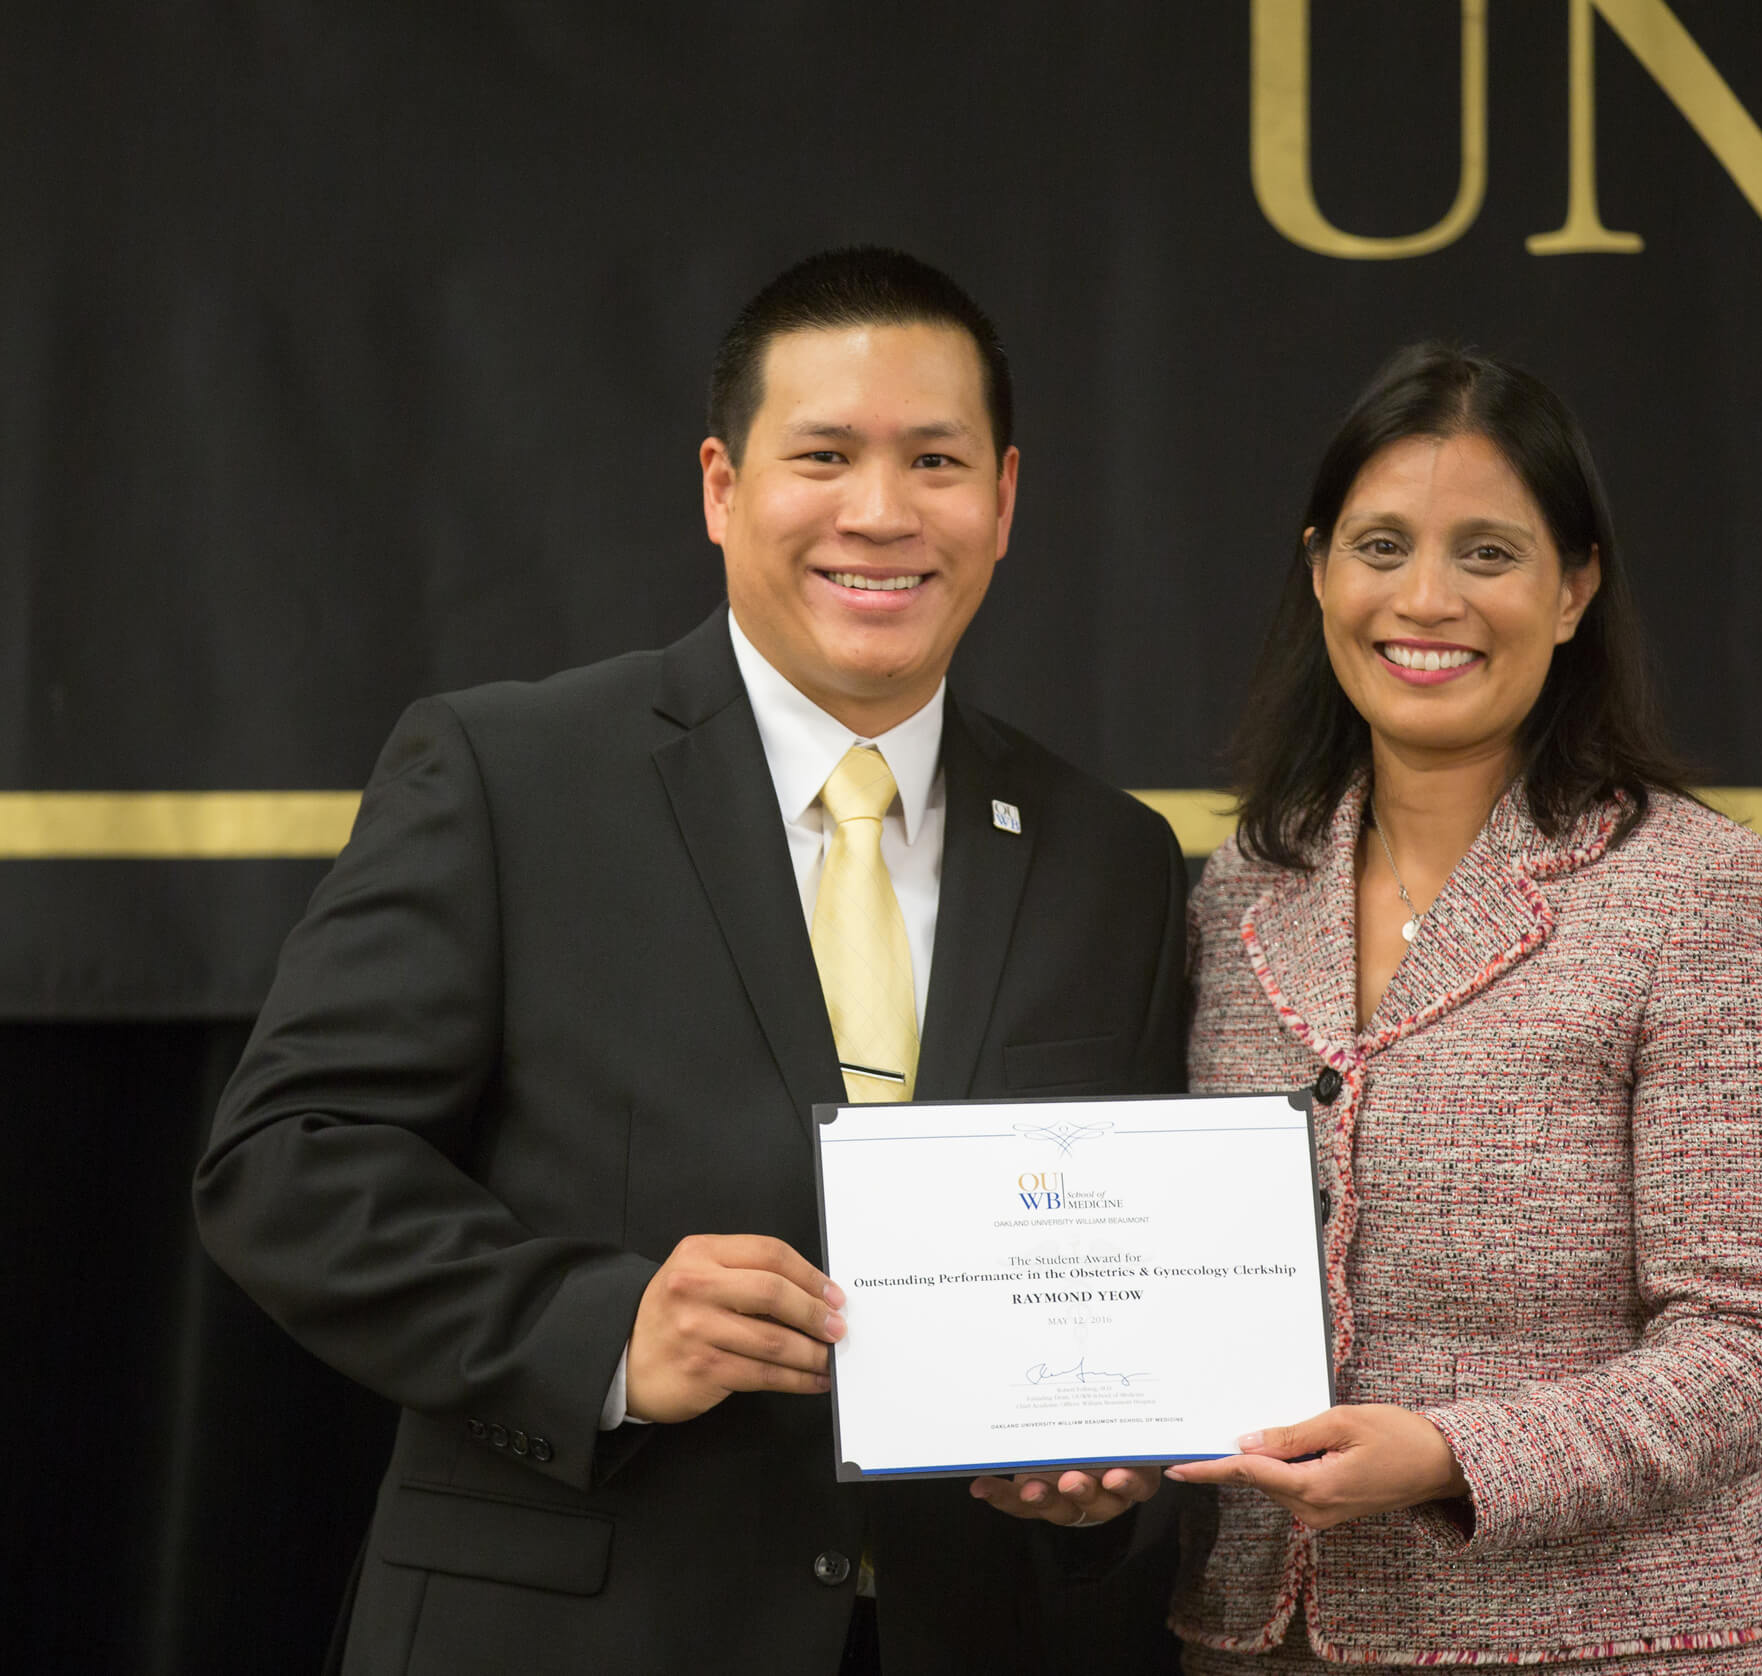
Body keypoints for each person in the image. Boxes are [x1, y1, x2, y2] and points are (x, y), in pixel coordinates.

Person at [194, 247, 1186, 1676]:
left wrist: (1096, 1479)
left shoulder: (1114, 860)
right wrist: (599, 1332)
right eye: (824, 455)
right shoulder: (506, 774)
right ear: (723, 488)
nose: (882, 512)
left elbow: (1123, 1265)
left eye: (936, 462)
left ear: (1007, 500)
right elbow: (285, 1160)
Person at [1164, 345, 1762, 1672]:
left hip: (1623, 1644)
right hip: (1266, 1642)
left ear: (1575, 587)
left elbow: (1752, 1350)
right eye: (1381, 545)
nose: (1426, 600)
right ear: (1318, 571)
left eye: (1487, 554)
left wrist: (1452, 1455)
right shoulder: (1238, 892)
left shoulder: (1705, 892)